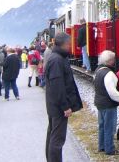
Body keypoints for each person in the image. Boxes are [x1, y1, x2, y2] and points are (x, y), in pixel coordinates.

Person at [45, 32, 82, 162]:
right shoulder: (56, 60)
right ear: (65, 44)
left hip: (54, 105)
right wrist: (65, 106)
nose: (71, 47)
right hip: (58, 107)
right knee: (57, 139)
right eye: (69, 44)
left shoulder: (57, 57)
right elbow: (57, 86)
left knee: (53, 135)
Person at [94, 50, 119, 156]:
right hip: (108, 104)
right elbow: (112, 91)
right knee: (109, 127)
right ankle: (110, 149)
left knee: (102, 125)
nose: (114, 61)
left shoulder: (98, 71)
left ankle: (102, 146)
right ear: (110, 60)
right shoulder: (109, 73)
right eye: (113, 59)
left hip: (99, 102)